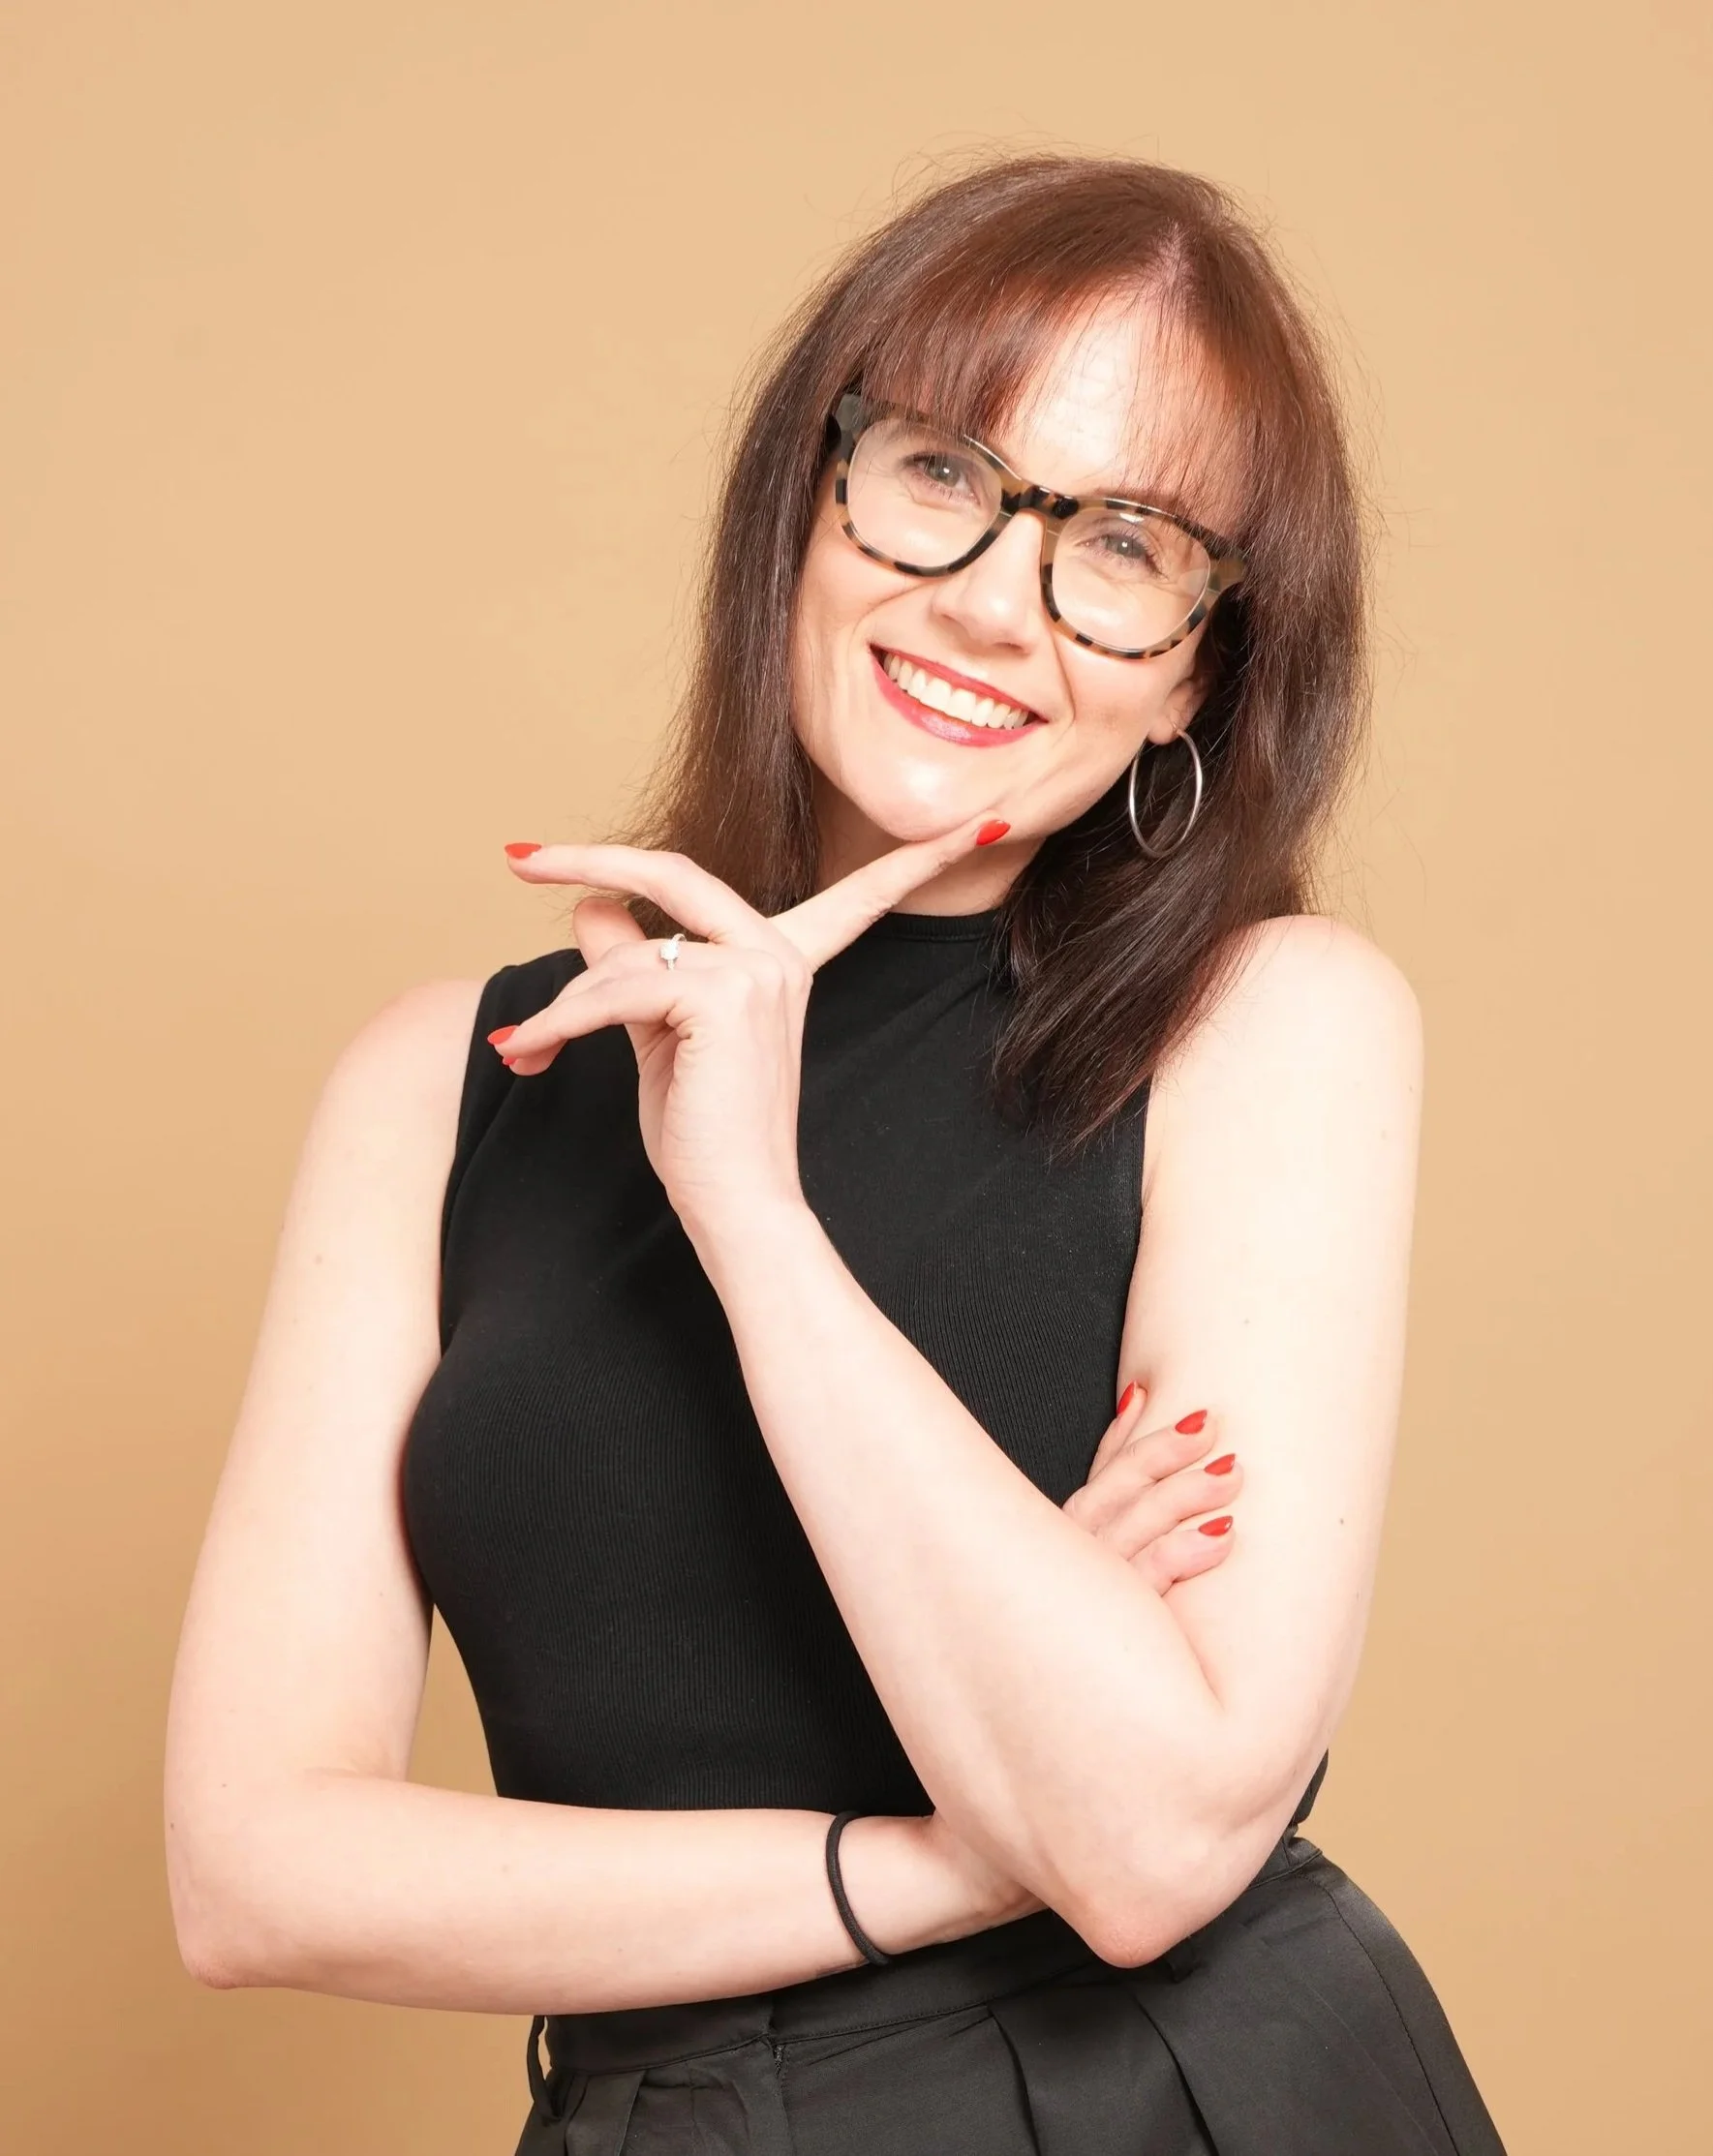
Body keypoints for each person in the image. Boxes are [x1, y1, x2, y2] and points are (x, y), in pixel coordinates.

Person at [165, 155, 1508, 2153]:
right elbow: (249, 1873)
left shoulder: (1264, 1024)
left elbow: (1143, 1857)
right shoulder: (441, 1084)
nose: (991, 600)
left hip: (1163, 2095)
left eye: (1121, 546)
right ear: (809, 492)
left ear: (1193, 677)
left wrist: (753, 1218)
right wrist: (935, 1861)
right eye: (944, 476)